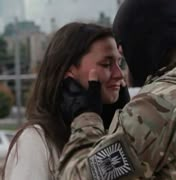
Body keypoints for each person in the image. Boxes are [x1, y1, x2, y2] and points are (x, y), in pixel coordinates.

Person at [57, 0, 176, 179]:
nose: (121, 74)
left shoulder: (160, 103)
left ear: (139, 42)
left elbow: (77, 176)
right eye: (106, 64)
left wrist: (86, 118)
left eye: (123, 56)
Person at [2, 22, 129, 180]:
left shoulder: (112, 131)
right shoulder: (36, 141)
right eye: (106, 64)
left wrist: (123, 128)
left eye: (120, 63)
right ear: (68, 73)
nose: (119, 74)